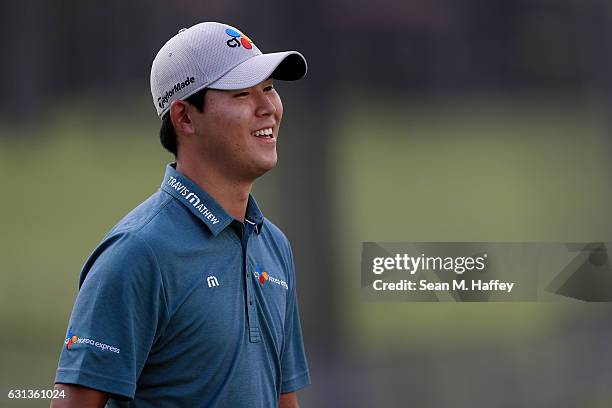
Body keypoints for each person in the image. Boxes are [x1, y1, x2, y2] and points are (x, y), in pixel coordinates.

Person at [51, 21, 310, 408]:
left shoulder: (273, 245)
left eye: (269, 89)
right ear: (184, 117)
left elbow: (282, 398)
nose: (268, 108)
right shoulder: (137, 253)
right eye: (242, 93)